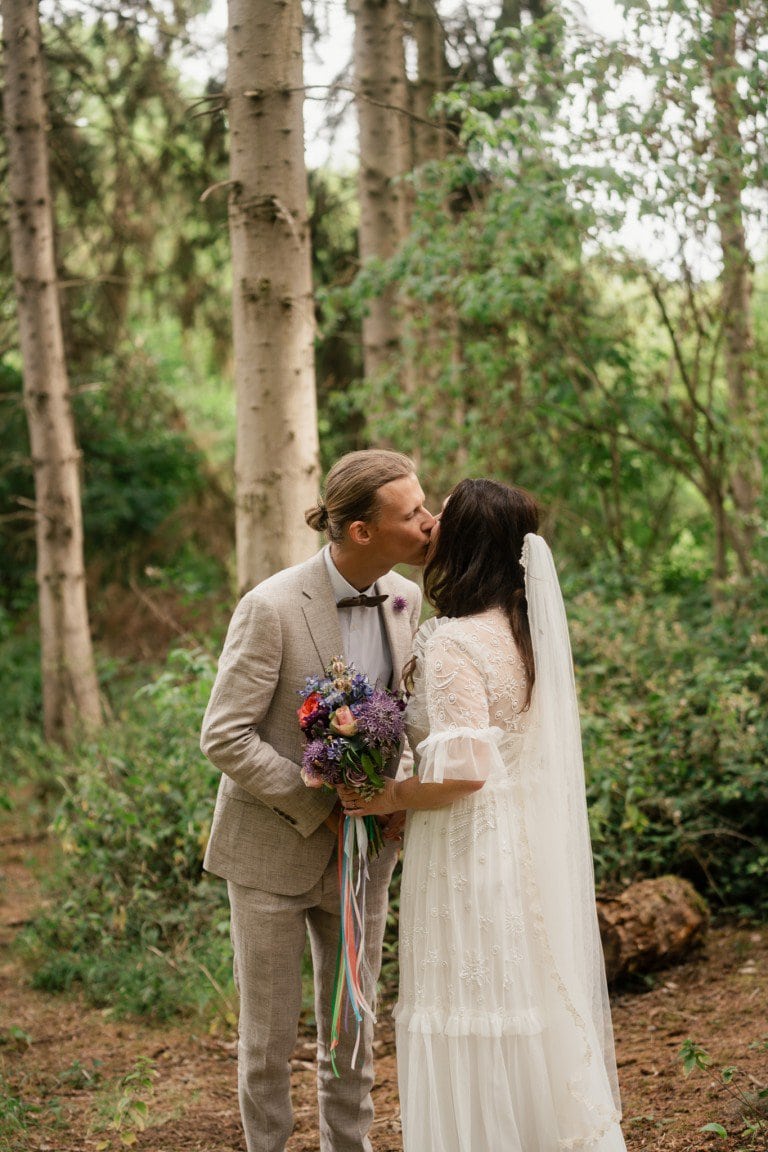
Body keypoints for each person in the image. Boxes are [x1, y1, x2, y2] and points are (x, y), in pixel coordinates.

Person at [340, 478, 627, 1152]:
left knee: (472, 1009)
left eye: (442, 514)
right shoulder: (520, 633)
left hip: (469, 850)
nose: (429, 521)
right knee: (519, 1004)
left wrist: (389, 797)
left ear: (464, 541)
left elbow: (466, 770)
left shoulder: (453, 641)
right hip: (517, 844)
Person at [200, 449, 434, 1152]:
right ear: (360, 530)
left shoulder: (406, 598)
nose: (430, 522)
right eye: (413, 513)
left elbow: (411, 717)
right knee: (268, 1044)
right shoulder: (270, 606)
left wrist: (402, 793)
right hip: (272, 851)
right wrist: (320, 803)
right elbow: (224, 735)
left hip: (365, 859)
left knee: (354, 1030)